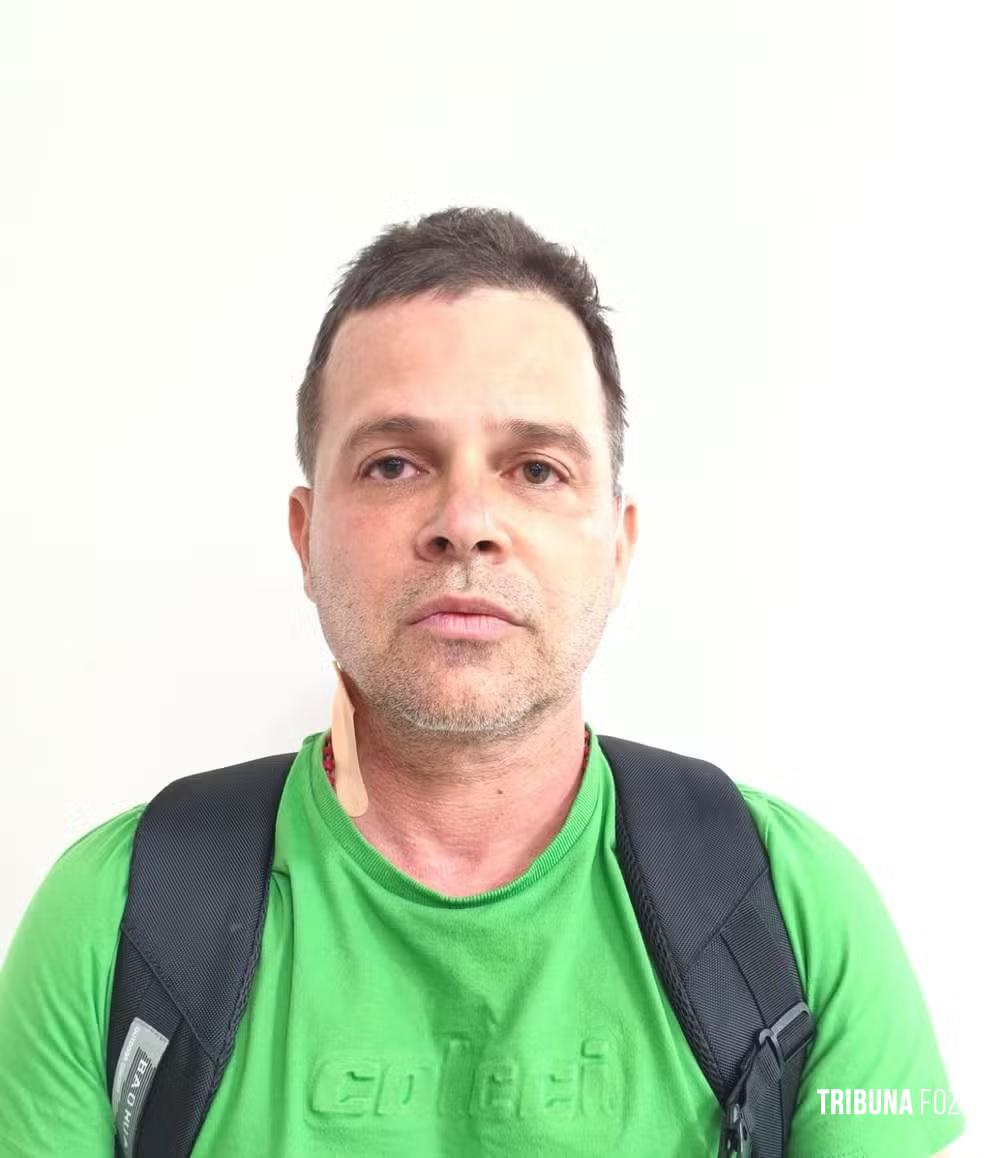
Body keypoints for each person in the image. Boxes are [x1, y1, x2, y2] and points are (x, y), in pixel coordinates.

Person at [0, 208, 963, 1157]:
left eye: (536, 470)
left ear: (618, 546)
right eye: (392, 464)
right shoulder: (118, 918)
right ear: (305, 536)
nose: (464, 521)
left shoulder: (795, 907)